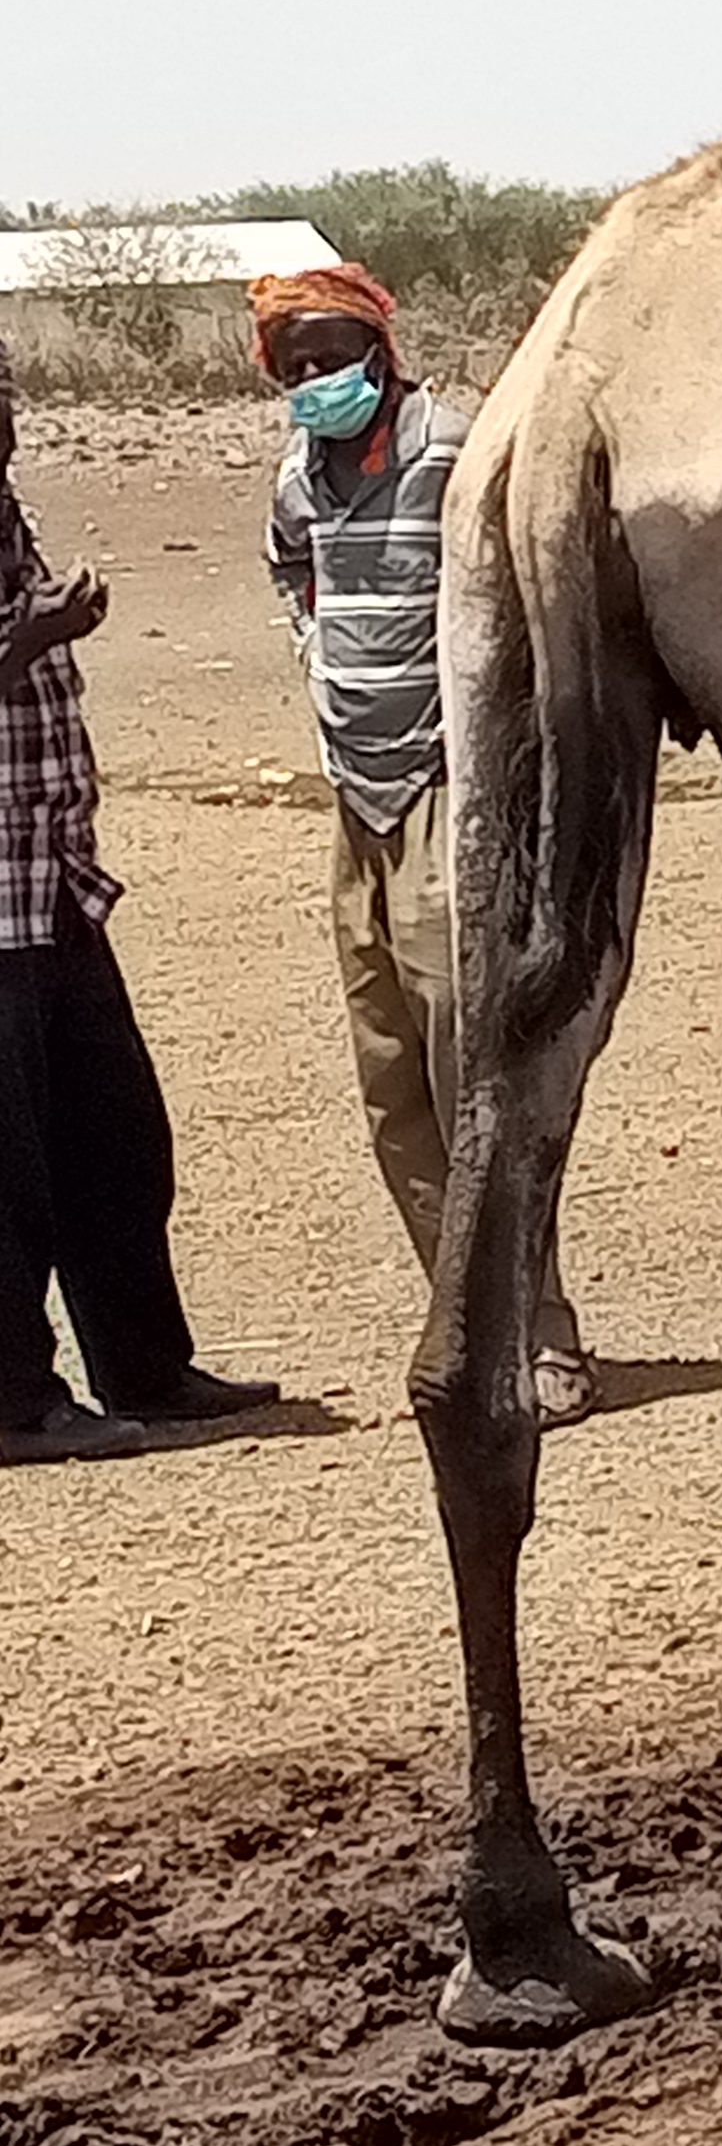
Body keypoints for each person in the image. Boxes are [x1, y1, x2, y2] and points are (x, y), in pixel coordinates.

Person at [255, 264, 594, 1425]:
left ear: (381, 350)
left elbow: (529, 575)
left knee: (476, 1073)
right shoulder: (300, 480)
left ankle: (539, 1335)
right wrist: (318, 657)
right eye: (294, 367)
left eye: (332, 356)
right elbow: (290, 569)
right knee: (393, 1079)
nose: (315, 382)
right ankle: (466, 1329)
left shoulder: (455, 450)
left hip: (452, 790)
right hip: (356, 802)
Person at [3, 337, 280, 1461]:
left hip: (51, 881)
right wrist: (35, 636)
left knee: (114, 1141)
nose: (5, 421)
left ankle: (145, 1368)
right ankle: (18, 1402)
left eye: (4, 397)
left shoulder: (3, 507)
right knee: (8, 1172)